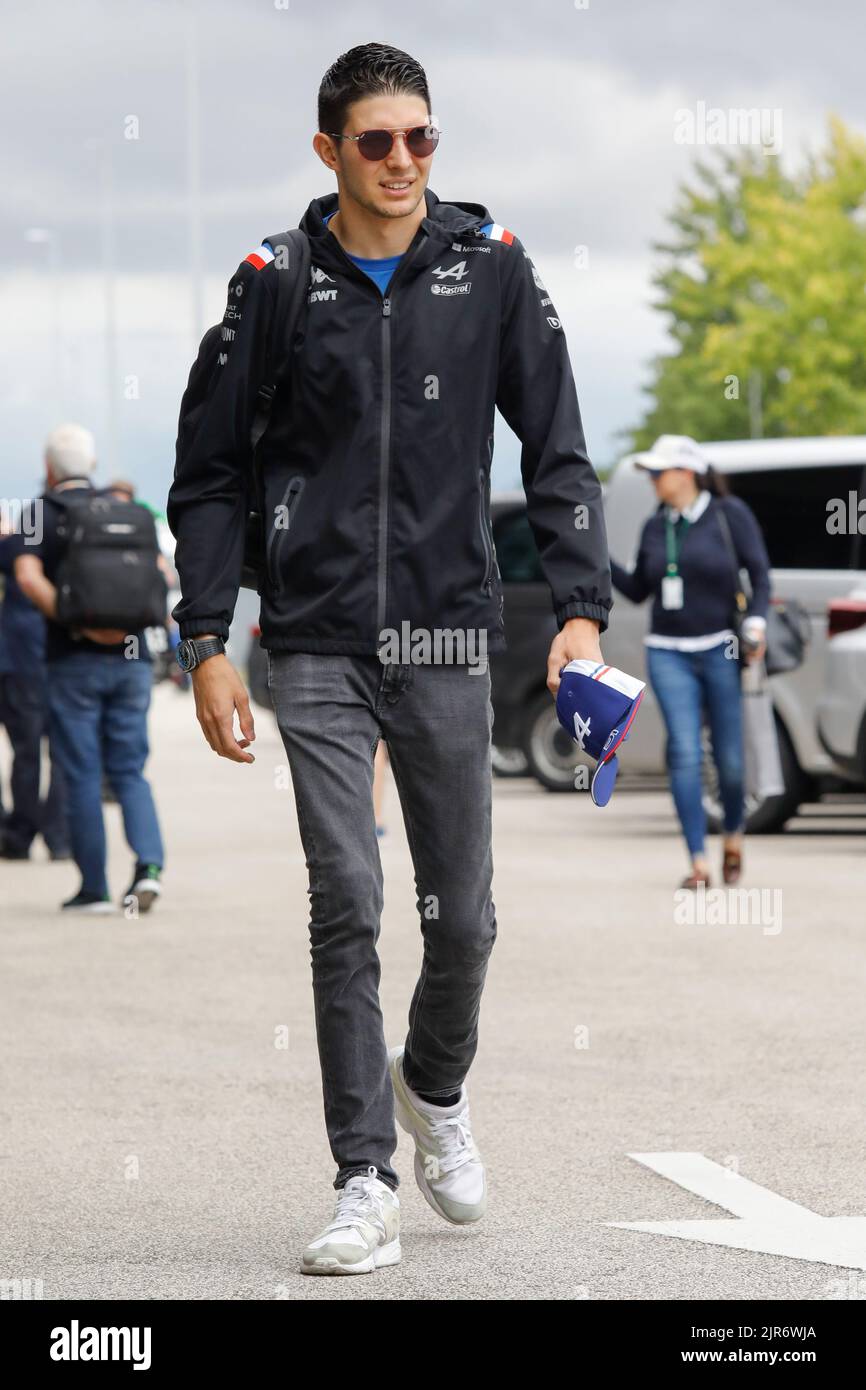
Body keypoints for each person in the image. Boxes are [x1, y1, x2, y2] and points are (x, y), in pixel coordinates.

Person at [167, 42, 611, 1275]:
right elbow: (205, 475)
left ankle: (434, 1083)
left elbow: (557, 449)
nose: (404, 160)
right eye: (377, 141)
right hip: (311, 639)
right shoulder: (274, 279)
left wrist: (579, 605)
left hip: (448, 633)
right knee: (346, 902)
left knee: (461, 915)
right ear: (329, 151)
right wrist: (204, 638)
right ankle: (364, 1177)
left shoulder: (491, 267)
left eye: (422, 137)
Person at [14, 424, 166, 914]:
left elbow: (26, 575)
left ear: (48, 468)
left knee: (79, 772)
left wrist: (73, 619)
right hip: (131, 660)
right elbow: (160, 575)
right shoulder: (128, 510)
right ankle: (148, 867)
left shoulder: (41, 511)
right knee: (130, 771)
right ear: (93, 466)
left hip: (72, 661)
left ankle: (94, 889)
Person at [609, 435, 771, 889]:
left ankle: (734, 835)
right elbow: (640, 588)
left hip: (721, 646)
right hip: (666, 650)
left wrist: (756, 622)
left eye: (659, 473)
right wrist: (595, 558)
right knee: (683, 750)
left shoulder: (729, 515)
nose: (654, 481)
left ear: (685, 474)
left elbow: (759, 575)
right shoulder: (654, 526)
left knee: (730, 760)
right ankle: (698, 862)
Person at [0, 519, 69, 860]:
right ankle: (58, 837)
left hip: (21, 661)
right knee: (60, 751)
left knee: (26, 753)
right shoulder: (67, 543)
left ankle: (20, 836)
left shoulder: (16, 547)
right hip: (56, 659)